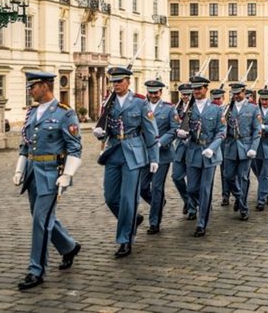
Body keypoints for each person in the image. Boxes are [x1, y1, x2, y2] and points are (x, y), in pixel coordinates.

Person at [13, 71, 82, 290]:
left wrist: (67, 174)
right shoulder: (32, 112)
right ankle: (68, 246)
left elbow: (75, 148)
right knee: (41, 216)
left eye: (33, 87)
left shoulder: (65, 113)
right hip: (33, 172)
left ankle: (37, 270)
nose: (30, 91)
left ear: (44, 86)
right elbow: (26, 143)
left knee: (40, 221)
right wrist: (19, 168)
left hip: (53, 174)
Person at [94, 67, 159, 258]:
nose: (116, 85)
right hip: (114, 151)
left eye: (119, 81)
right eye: (113, 82)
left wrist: (154, 157)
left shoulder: (140, 103)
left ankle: (125, 239)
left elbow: (150, 130)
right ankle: (133, 219)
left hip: (134, 152)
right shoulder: (108, 101)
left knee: (129, 199)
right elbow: (106, 126)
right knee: (111, 197)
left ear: (128, 82)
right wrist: (101, 133)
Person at [177, 75, 226, 237]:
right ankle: (203, 206)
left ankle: (201, 223)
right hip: (193, 151)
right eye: (194, 89)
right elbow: (184, 129)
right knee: (191, 189)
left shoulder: (216, 109)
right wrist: (182, 133)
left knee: (205, 189)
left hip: (209, 153)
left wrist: (212, 148)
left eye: (199, 88)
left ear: (206, 89)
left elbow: (222, 131)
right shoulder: (188, 109)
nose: (196, 91)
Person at [140, 80, 179, 234]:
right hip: (145, 154)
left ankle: (154, 222)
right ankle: (158, 203)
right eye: (151, 93)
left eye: (156, 93)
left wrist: (160, 143)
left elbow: (174, 130)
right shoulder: (142, 106)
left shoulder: (169, 109)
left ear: (160, 93)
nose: (153, 95)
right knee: (142, 187)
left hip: (162, 154)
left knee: (157, 187)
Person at [223, 82, 261, 221]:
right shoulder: (227, 108)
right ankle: (239, 197)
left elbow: (257, 130)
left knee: (243, 177)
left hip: (246, 147)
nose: (236, 96)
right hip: (231, 146)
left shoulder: (253, 108)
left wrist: (253, 148)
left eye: (239, 93)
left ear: (244, 92)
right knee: (228, 177)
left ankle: (243, 207)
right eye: (234, 93)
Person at [172, 83, 192, 214]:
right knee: (176, 177)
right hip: (179, 146)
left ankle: (193, 207)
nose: (185, 97)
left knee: (193, 180)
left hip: (193, 147)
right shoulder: (176, 109)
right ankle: (187, 200)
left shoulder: (197, 107)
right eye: (183, 94)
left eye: (188, 94)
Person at [210, 87, 230, 206]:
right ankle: (207, 198)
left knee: (225, 172)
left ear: (223, 99)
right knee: (209, 174)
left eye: (219, 99)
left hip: (225, 144)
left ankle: (225, 195)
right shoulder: (209, 110)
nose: (217, 101)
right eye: (214, 99)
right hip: (211, 144)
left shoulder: (228, 110)